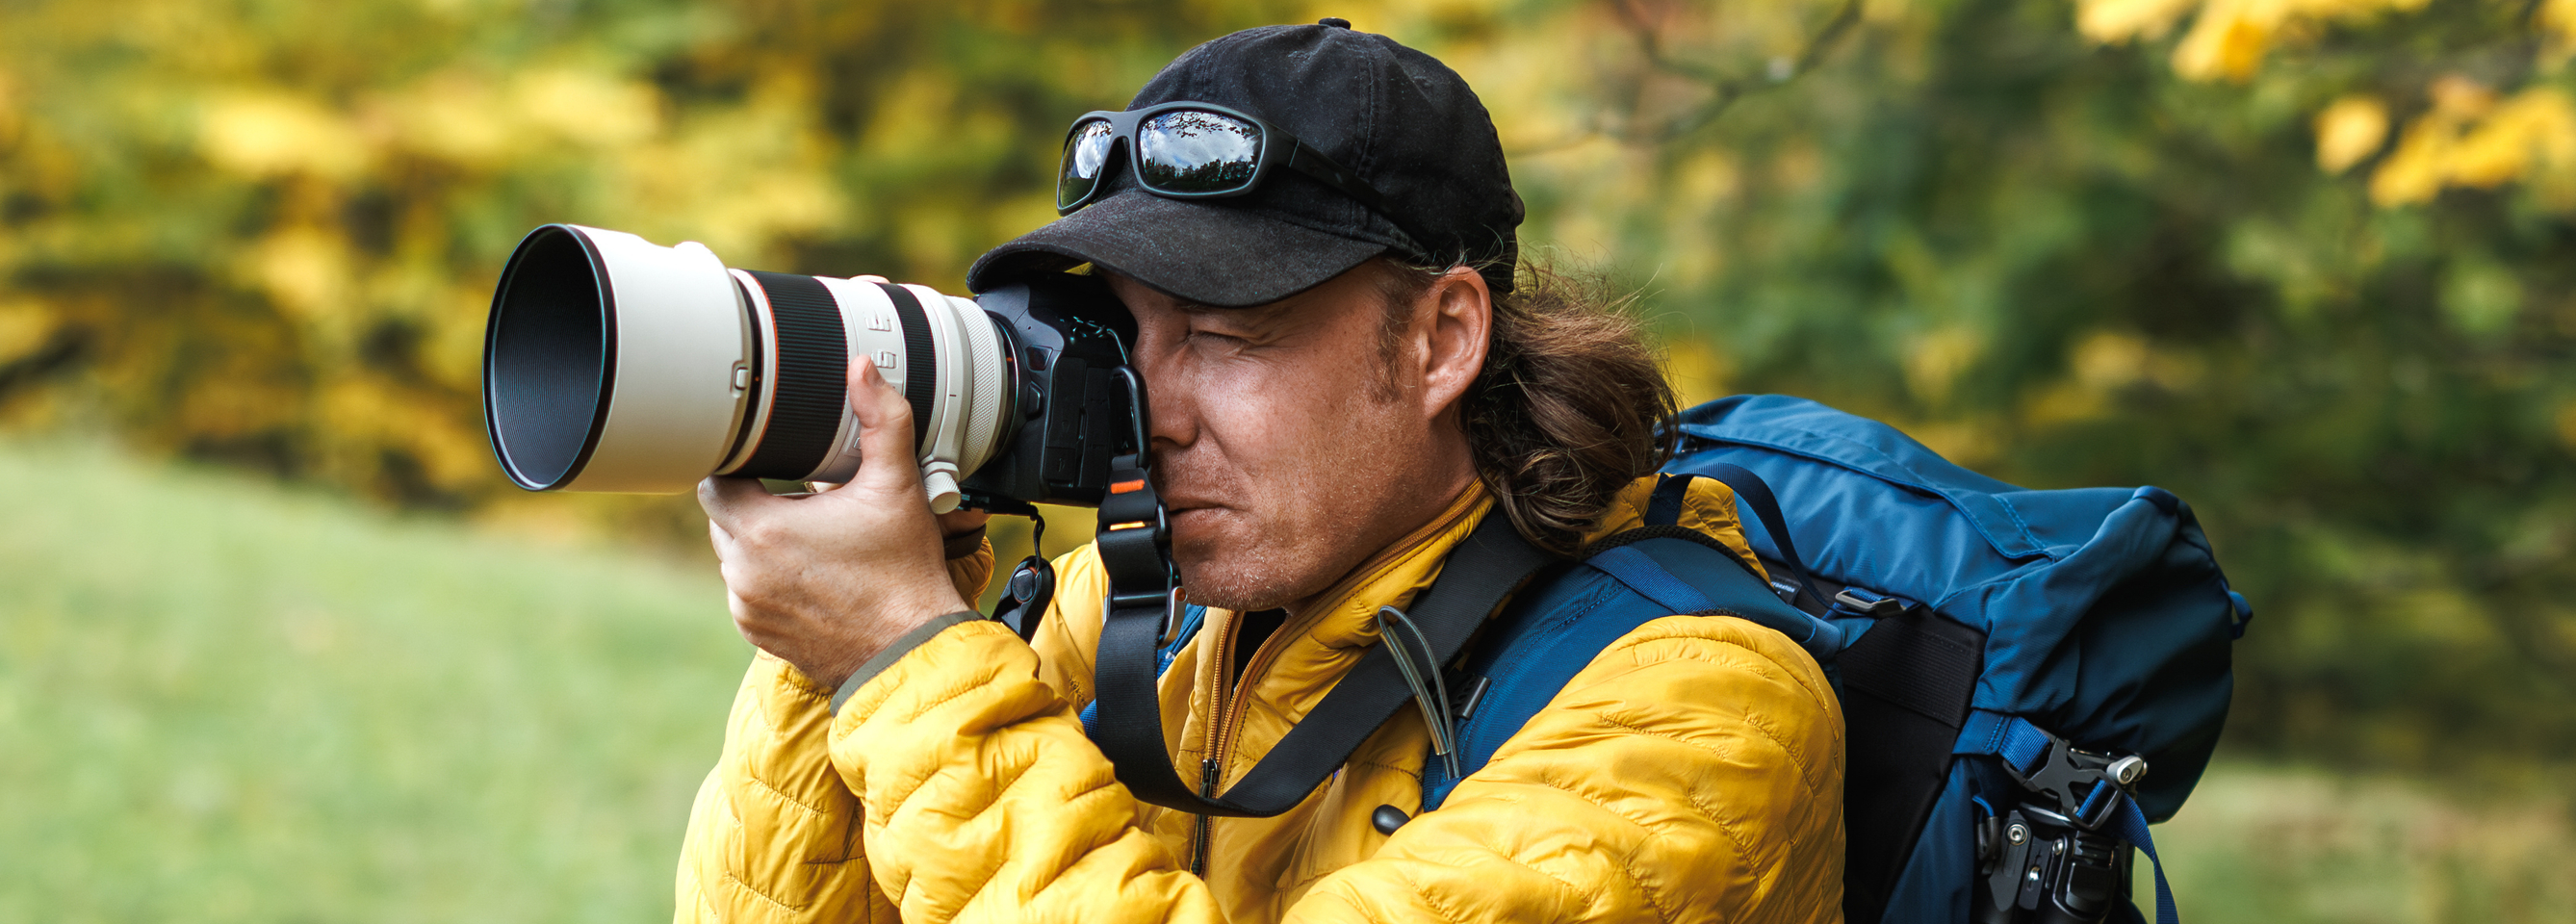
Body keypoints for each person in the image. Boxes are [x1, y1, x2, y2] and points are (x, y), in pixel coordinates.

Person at [676, 19, 1846, 923]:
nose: (1151, 412)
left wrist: (898, 660)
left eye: (1223, 335)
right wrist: (833, 648)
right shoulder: (1125, 610)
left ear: (1441, 340)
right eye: (1127, 333)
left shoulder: (1700, 711)